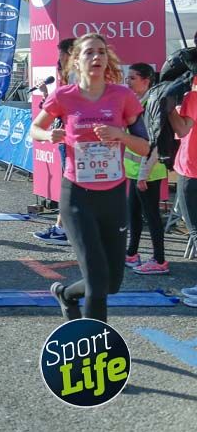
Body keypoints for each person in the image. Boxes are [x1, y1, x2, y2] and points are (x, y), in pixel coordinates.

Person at [30, 33, 149, 322]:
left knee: (112, 284)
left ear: (107, 60)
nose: (96, 57)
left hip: (113, 196)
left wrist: (120, 135)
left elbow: (144, 146)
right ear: (77, 60)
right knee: (97, 281)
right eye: (88, 53)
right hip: (77, 196)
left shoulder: (122, 96)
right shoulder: (63, 96)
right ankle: (94, 350)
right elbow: (35, 129)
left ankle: (66, 294)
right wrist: (50, 134)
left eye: (101, 52)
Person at [123, 63, 170, 274]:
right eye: (127, 77)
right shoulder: (137, 101)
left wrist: (143, 174)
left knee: (151, 216)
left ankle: (159, 260)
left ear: (146, 80)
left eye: (132, 78)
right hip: (135, 170)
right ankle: (131, 253)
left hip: (149, 172)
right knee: (133, 213)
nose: (127, 81)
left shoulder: (152, 102)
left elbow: (155, 142)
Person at [34, 37, 76, 245]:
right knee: (69, 184)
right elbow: (38, 128)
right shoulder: (66, 83)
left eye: (61, 54)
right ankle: (62, 227)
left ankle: (63, 228)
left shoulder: (81, 81)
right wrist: (45, 95)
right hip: (68, 140)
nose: (59, 60)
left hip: (77, 143)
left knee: (71, 185)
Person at [168, 68, 197, 306]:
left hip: (192, 167)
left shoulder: (192, 90)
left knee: (195, 228)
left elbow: (182, 129)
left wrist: (166, 105)